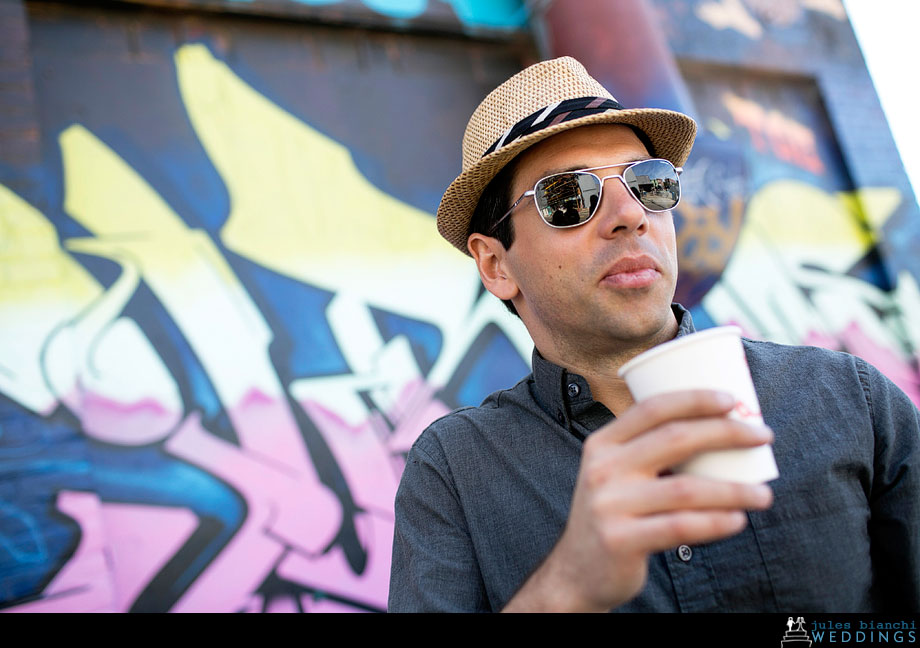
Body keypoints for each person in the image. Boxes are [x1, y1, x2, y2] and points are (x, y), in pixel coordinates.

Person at [387, 57, 920, 612]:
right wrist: (565, 587)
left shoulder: (847, 398)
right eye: (569, 196)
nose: (629, 215)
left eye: (649, 183)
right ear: (496, 264)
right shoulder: (454, 471)